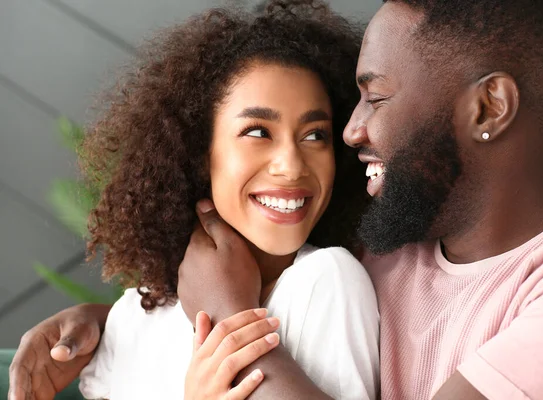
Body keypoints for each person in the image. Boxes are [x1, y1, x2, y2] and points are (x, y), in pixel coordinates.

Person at [10, 0, 543, 399]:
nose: (352, 132)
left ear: (488, 106)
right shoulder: (397, 239)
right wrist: (109, 325)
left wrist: (231, 324)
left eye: (377, 99)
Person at [11, 1, 381, 400]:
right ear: (198, 151)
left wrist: (232, 317)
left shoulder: (325, 281)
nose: (292, 166)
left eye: (315, 135)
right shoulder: (136, 315)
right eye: (258, 133)